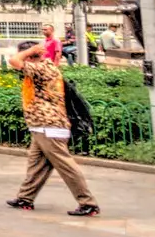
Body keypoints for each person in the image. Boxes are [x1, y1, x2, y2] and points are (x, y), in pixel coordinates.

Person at [6, 40, 100, 216]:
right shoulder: (44, 67)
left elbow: (14, 61)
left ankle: (88, 203)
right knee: (36, 165)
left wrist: (29, 51)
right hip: (41, 126)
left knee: (66, 165)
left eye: (25, 54)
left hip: (49, 125)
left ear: (30, 56)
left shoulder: (41, 68)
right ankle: (25, 198)